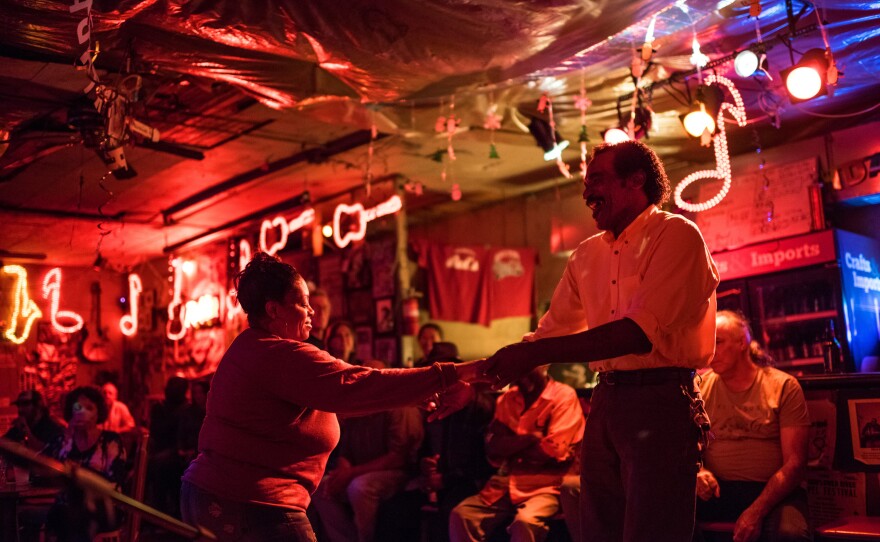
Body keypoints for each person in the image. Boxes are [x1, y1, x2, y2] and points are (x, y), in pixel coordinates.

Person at [484, 140, 720, 542]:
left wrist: (530, 354)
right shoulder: (586, 255)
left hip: (662, 401)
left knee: (653, 531)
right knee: (599, 531)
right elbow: (550, 331)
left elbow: (635, 333)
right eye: (586, 182)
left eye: (598, 179)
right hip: (606, 400)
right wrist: (472, 377)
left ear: (636, 180)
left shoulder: (677, 235)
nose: (587, 192)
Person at [180, 252, 487, 541]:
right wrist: (458, 374)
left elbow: (340, 399)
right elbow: (357, 384)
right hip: (249, 502)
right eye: (302, 303)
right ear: (273, 310)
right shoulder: (279, 354)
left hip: (226, 495)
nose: (312, 311)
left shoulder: (254, 348)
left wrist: (409, 394)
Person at [695, 311, 811, 542]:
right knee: (663, 518)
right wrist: (699, 471)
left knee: (790, 535)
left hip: (774, 492)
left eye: (718, 342)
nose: (710, 350)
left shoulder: (783, 386)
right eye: (707, 343)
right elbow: (686, 446)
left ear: (742, 342)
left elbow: (795, 464)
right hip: (718, 489)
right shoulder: (701, 387)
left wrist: (756, 510)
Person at [449, 365, 584, 542]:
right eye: (518, 368)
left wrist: (511, 445)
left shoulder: (563, 396)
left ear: (543, 365)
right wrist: (532, 438)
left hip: (548, 487)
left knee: (524, 523)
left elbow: (555, 451)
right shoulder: (507, 398)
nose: (522, 374)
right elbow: (493, 448)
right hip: (507, 484)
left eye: (528, 366)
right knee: (462, 515)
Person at [310, 398, 424, 542]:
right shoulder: (359, 409)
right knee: (321, 488)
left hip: (399, 473)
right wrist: (342, 473)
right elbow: (345, 453)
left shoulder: (400, 407)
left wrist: (350, 474)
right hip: (361, 472)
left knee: (359, 488)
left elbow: (398, 458)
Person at [48, 386, 127, 542]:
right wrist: (68, 439)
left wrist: (79, 474)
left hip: (104, 504)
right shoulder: (64, 440)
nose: (83, 411)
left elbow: (116, 479)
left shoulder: (110, 440)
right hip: (68, 504)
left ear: (99, 412)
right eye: (78, 407)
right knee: (58, 514)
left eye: (89, 407)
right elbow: (45, 465)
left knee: (68, 516)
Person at [147, 376, 189, 515]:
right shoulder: (159, 408)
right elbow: (155, 431)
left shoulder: (187, 409)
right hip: (162, 451)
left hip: (179, 454)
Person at [2, 389, 64, 455]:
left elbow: (43, 453)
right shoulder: (18, 428)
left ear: (38, 405)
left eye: (25, 404)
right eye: (18, 405)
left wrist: (26, 431)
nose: (20, 409)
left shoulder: (51, 428)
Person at [178, 379, 210, 466]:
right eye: (195, 393)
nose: (197, 396)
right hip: (188, 451)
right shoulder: (188, 412)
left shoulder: (211, 413)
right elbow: (182, 432)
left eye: (200, 392)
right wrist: (181, 449)